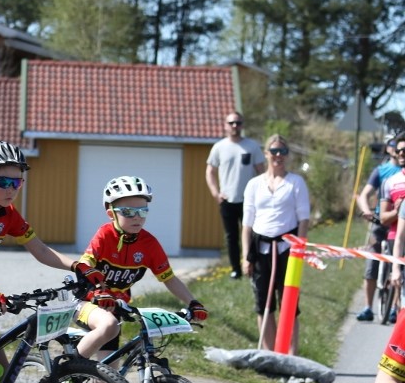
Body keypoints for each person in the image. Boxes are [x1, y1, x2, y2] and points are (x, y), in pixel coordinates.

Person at [0, 141, 116, 365]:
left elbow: (40, 250)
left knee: (0, 371)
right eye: (3, 182)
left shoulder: (8, 214)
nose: (11, 189)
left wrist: (77, 266)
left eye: (17, 182)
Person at [76, 176, 208, 357]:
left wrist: (193, 302)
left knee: (107, 374)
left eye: (143, 211)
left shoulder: (149, 243)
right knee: (108, 325)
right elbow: (85, 264)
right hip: (86, 302)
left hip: (116, 308)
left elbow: (169, 278)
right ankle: (68, 370)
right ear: (111, 213)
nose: (137, 217)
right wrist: (98, 290)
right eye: (128, 212)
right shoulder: (105, 235)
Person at [241, 135, 310, 353]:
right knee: (263, 304)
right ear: (266, 153)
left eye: (282, 151)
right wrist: (246, 256)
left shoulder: (295, 182)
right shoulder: (254, 184)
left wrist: (299, 250)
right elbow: (247, 224)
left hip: (287, 249)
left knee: (289, 304)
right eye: (274, 151)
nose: (278, 155)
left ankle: (291, 354)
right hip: (260, 249)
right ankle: (269, 354)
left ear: (287, 155)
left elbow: (304, 219)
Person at [206, 111, 266, 279]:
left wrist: (261, 195)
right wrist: (216, 193)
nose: (235, 126)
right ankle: (236, 270)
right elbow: (210, 171)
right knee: (231, 236)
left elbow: (262, 173)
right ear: (225, 126)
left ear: (242, 125)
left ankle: (253, 266)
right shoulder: (219, 147)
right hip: (227, 200)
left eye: (238, 123)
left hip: (249, 200)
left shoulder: (252, 146)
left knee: (252, 234)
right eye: (231, 123)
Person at [355, 135, 400, 321]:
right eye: (393, 145)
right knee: (372, 260)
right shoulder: (381, 170)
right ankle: (368, 307)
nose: (397, 150)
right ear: (389, 149)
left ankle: (394, 308)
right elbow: (364, 195)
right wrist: (366, 211)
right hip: (381, 221)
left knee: (399, 264)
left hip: (399, 223)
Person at [379, 134, 405, 324]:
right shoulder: (390, 181)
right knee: (398, 279)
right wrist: (398, 211)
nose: (401, 153)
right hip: (396, 236)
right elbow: (383, 218)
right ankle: (397, 308)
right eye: (399, 150)